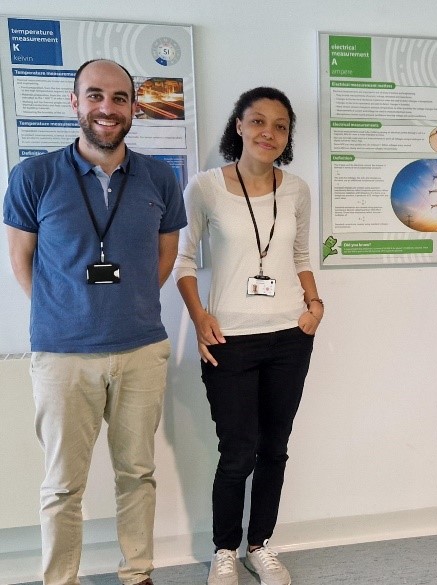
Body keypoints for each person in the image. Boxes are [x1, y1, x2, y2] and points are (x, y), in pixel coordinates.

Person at [3, 59, 186, 585]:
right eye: (95, 95)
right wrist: (67, 310)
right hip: (62, 354)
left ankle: (137, 573)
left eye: (120, 98)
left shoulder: (159, 177)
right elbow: (21, 260)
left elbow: (165, 255)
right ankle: (61, 579)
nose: (107, 108)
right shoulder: (34, 176)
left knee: (137, 474)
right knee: (63, 484)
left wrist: (128, 303)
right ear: (75, 102)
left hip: (140, 348)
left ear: (134, 107)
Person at [173, 87, 322, 585]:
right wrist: (200, 317)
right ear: (238, 125)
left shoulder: (296, 189)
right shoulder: (205, 188)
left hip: (290, 337)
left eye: (280, 126)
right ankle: (225, 550)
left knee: (274, 448)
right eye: (258, 121)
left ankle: (260, 545)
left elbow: (301, 256)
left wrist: (315, 305)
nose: (268, 133)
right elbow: (184, 261)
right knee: (237, 452)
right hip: (229, 340)